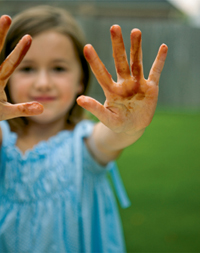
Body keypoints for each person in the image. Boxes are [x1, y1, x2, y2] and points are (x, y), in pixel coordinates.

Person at [0, 5, 168, 253]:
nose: (43, 83)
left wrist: (127, 126)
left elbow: (109, 139)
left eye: (58, 68)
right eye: (27, 68)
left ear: (81, 78)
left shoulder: (85, 145)